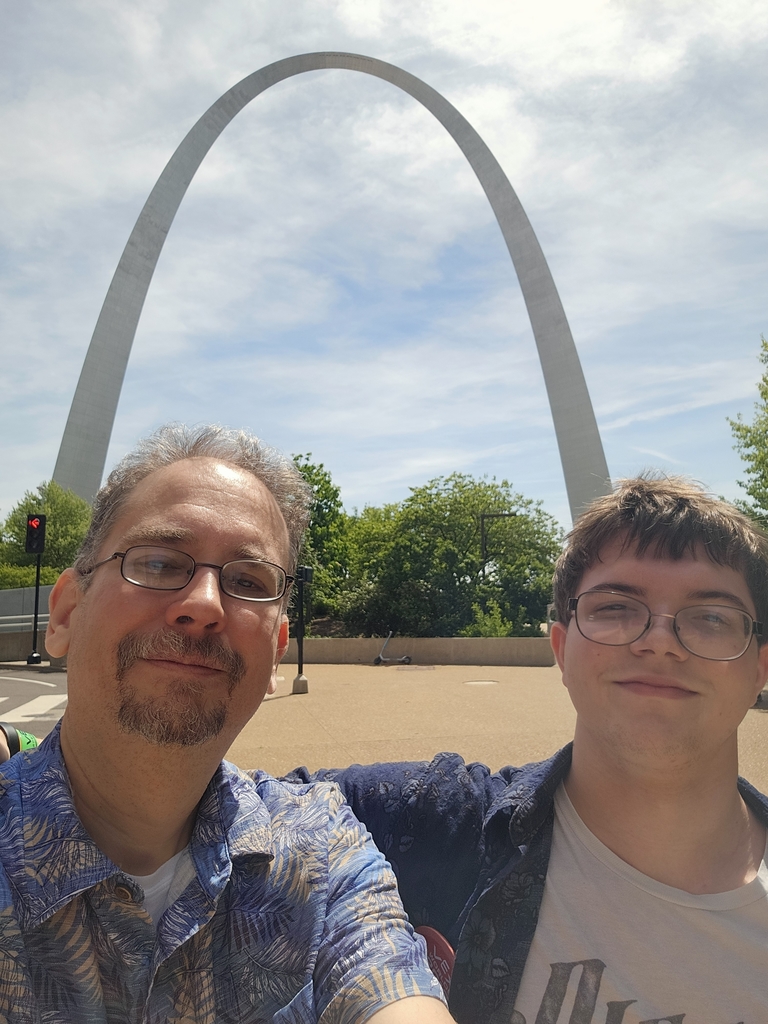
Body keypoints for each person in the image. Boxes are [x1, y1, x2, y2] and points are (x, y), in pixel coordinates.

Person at [0, 424, 449, 1024]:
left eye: (247, 582)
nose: (206, 603)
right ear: (65, 615)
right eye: (157, 562)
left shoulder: (323, 852)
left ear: (277, 656)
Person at [288, 477, 768, 1022]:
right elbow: (215, 809)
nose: (657, 640)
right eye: (615, 607)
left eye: (710, 617)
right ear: (561, 650)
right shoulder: (425, 824)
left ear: (761, 667)